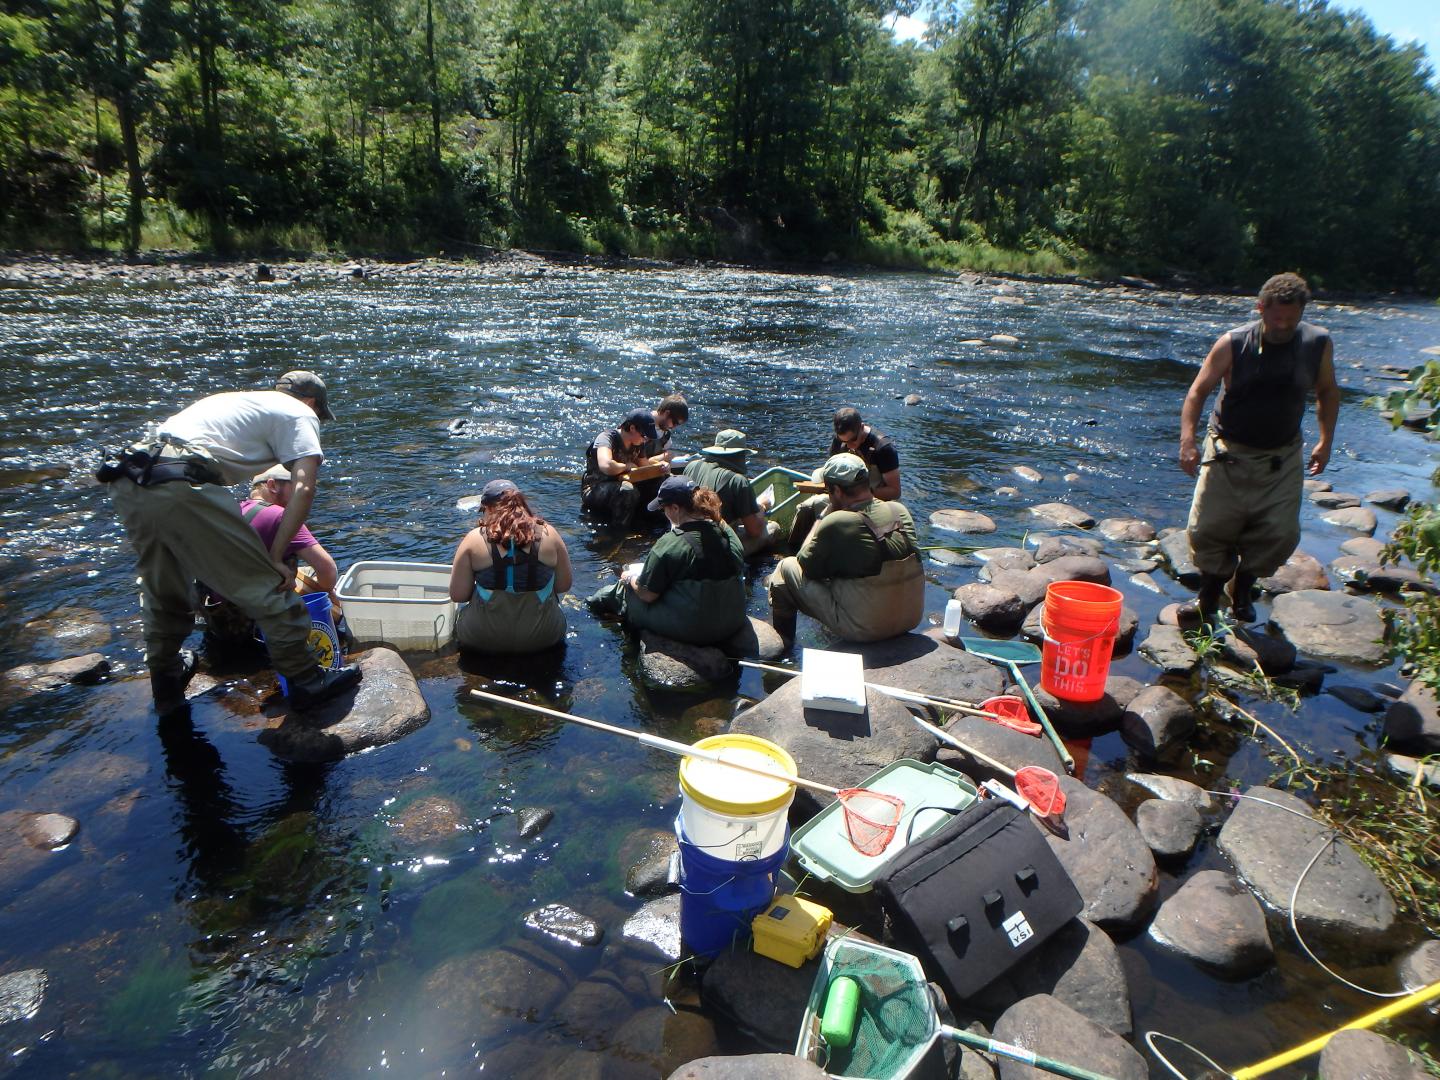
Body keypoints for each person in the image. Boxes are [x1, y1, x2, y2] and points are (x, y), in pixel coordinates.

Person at [100, 371, 361, 717]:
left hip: (129, 480)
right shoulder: (300, 413)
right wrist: (274, 556)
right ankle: (308, 682)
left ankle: (166, 681)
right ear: (312, 402)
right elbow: (303, 488)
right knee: (268, 589)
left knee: (165, 589)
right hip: (182, 481)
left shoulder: (235, 402)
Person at [1178, 271, 1339, 625]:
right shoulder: (1234, 342)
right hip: (1227, 450)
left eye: (1290, 318)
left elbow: (1326, 392)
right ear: (1260, 308)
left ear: (1302, 313)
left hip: (1281, 456)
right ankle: (1208, 596)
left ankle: (1243, 588)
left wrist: (1325, 441)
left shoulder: (1317, 343)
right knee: (1208, 529)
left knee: (1279, 534)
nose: (1282, 325)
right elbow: (1197, 391)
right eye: (1275, 316)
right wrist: (1187, 441)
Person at [767, 453, 924, 643]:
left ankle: (783, 645)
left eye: (828, 491)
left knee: (786, 568)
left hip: (867, 629)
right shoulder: (898, 510)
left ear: (838, 491)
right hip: (911, 618)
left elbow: (804, 562)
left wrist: (821, 519)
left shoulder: (838, 521)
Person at [587, 476, 747, 645]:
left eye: (664, 508)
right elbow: (726, 534)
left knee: (619, 591)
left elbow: (647, 595)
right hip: (733, 620)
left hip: (697, 630)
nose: (664, 513)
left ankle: (591, 616)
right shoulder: (725, 535)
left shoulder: (670, 543)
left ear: (675, 508)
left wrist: (629, 578)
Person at [200, 463, 342, 650]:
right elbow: (328, 571)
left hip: (223, 624)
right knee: (331, 606)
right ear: (273, 485)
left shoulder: (228, 513)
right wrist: (324, 591)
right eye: (295, 487)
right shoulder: (280, 516)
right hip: (263, 628)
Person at [449, 479, 573, 653]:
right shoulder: (549, 533)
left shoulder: (473, 539)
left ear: (488, 508)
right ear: (521, 504)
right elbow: (564, 585)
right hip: (544, 638)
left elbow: (458, 595)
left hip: (481, 639)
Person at [788, 406, 902, 548]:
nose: (849, 445)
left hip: (870, 502)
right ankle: (793, 552)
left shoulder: (883, 448)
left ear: (862, 427)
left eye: (853, 440)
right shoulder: (840, 441)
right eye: (844, 441)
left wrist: (858, 493)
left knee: (837, 521)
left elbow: (895, 491)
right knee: (806, 508)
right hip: (842, 498)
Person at [682, 429, 780, 557]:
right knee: (773, 527)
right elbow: (754, 531)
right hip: (715, 549)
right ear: (740, 455)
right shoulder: (738, 481)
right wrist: (762, 507)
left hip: (686, 539)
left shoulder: (691, 466)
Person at [581, 408, 661, 528]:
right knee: (628, 491)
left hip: (620, 483)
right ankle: (618, 532)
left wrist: (660, 468)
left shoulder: (638, 444)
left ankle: (648, 523)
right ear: (632, 428)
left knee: (661, 481)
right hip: (595, 488)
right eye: (644, 435)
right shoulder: (606, 438)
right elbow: (606, 465)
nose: (645, 440)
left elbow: (644, 466)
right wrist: (626, 466)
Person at [644, 394, 690, 462]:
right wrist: (659, 458)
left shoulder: (666, 434)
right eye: (675, 422)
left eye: (678, 424)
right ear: (666, 413)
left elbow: (663, 455)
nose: (674, 427)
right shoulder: (642, 424)